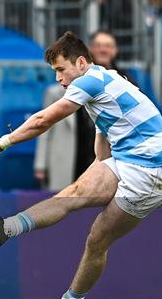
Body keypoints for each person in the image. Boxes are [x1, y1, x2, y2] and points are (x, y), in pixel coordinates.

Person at [0, 31, 162, 299]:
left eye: (61, 69)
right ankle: (5, 228)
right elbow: (103, 148)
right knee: (70, 195)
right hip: (128, 161)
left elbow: (44, 120)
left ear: (81, 63)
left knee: (97, 239)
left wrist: (5, 140)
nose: (58, 78)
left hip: (152, 173)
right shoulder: (102, 81)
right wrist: (94, 174)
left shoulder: (90, 81)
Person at [34, 30, 122, 191]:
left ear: (115, 50)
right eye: (99, 45)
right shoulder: (56, 92)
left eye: (108, 46)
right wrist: (41, 164)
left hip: (106, 160)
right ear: (89, 50)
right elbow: (44, 125)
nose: (103, 50)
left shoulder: (125, 82)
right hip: (70, 157)